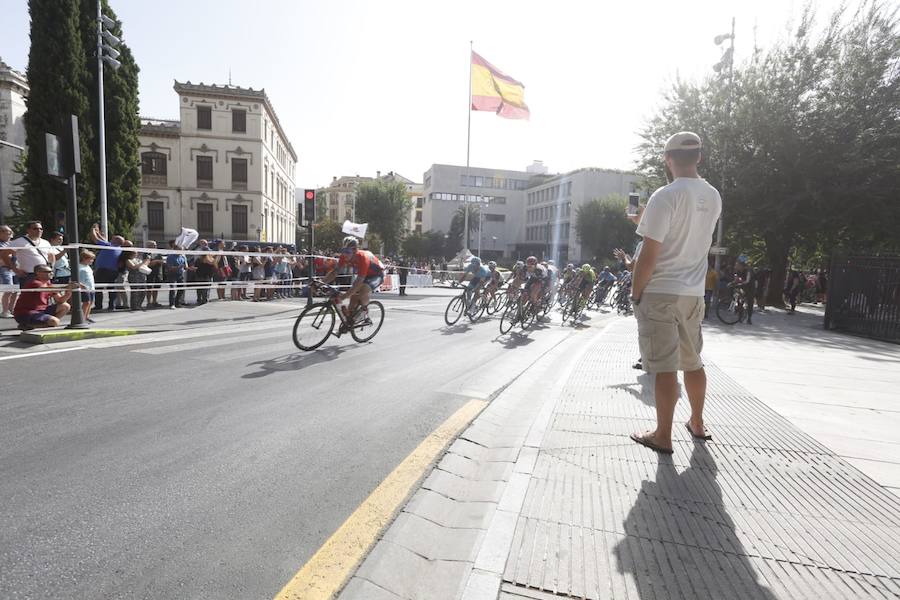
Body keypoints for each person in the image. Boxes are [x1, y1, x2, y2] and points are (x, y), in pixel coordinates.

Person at [629, 131, 722, 454]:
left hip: (660, 292)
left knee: (665, 367)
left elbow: (649, 256)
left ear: (668, 160)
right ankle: (697, 422)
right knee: (693, 362)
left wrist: (636, 293)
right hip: (693, 293)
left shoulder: (664, 196)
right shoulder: (713, 196)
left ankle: (662, 435)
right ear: (699, 157)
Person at [320, 236, 384, 327]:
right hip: (364, 275)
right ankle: (349, 322)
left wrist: (345, 296)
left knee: (364, 289)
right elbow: (335, 272)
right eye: (343, 251)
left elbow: (359, 281)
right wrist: (320, 283)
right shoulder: (344, 257)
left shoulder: (363, 258)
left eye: (348, 252)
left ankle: (364, 313)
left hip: (376, 274)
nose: (345, 254)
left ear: (355, 251)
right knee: (353, 298)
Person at [12, 264, 75, 330]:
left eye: (51, 271)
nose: (51, 273)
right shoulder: (35, 283)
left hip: (42, 311)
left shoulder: (48, 284)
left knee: (65, 306)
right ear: (38, 273)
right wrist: (66, 287)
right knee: (55, 322)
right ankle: (27, 325)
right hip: (26, 313)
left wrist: (69, 292)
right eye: (48, 272)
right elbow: (45, 289)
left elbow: (60, 300)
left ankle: (47, 322)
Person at [9, 221, 54, 287]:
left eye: (41, 229)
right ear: (28, 230)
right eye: (35, 229)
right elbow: (5, 254)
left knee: (45, 294)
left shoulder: (45, 242)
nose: (39, 230)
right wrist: (15, 270)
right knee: (28, 295)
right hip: (28, 274)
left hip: (44, 274)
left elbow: (51, 256)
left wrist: (50, 268)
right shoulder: (19, 241)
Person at [89, 224, 123, 311]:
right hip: (113, 271)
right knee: (111, 288)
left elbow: (95, 239)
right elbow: (104, 241)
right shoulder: (118, 248)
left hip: (103, 271)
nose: (111, 238)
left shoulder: (109, 246)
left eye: (113, 238)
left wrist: (93, 229)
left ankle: (98, 305)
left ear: (115, 241)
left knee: (98, 287)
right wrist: (98, 232)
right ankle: (112, 306)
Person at [0, 224, 19, 318]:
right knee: (8, 290)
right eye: (7, 231)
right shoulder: (1, 244)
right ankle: (5, 311)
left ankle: (11, 310)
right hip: (5, 269)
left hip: (15, 269)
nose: (10, 233)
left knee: (15, 290)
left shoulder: (12, 243)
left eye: (10, 231)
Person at [732, 255, 755, 324]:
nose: (737, 265)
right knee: (739, 300)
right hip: (743, 287)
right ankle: (740, 315)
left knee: (750, 302)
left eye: (738, 263)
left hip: (750, 287)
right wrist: (732, 283)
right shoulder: (739, 270)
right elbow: (736, 279)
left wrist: (741, 283)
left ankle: (749, 318)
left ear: (742, 264)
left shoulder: (749, 270)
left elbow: (747, 281)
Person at [166, 240, 186, 308]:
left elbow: (185, 267)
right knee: (173, 289)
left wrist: (191, 268)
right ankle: (172, 304)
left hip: (180, 274)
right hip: (172, 275)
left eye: (182, 250)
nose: (181, 251)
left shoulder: (182, 257)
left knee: (181, 289)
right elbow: (170, 268)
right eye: (180, 250)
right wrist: (178, 267)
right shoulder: (170, 257)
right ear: (175, 249)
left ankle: (178, 302)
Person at [78, 250, 97, 323]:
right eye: (90, 259)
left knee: (90, 302)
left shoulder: (88, 267)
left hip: (91, 288)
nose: (92, 261)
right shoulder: (80, 268)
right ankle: (82, 317)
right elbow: (79, 279)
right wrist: (82, 286)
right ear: (84, 258)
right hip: (84, 289)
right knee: (86, 302)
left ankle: (86, 316)